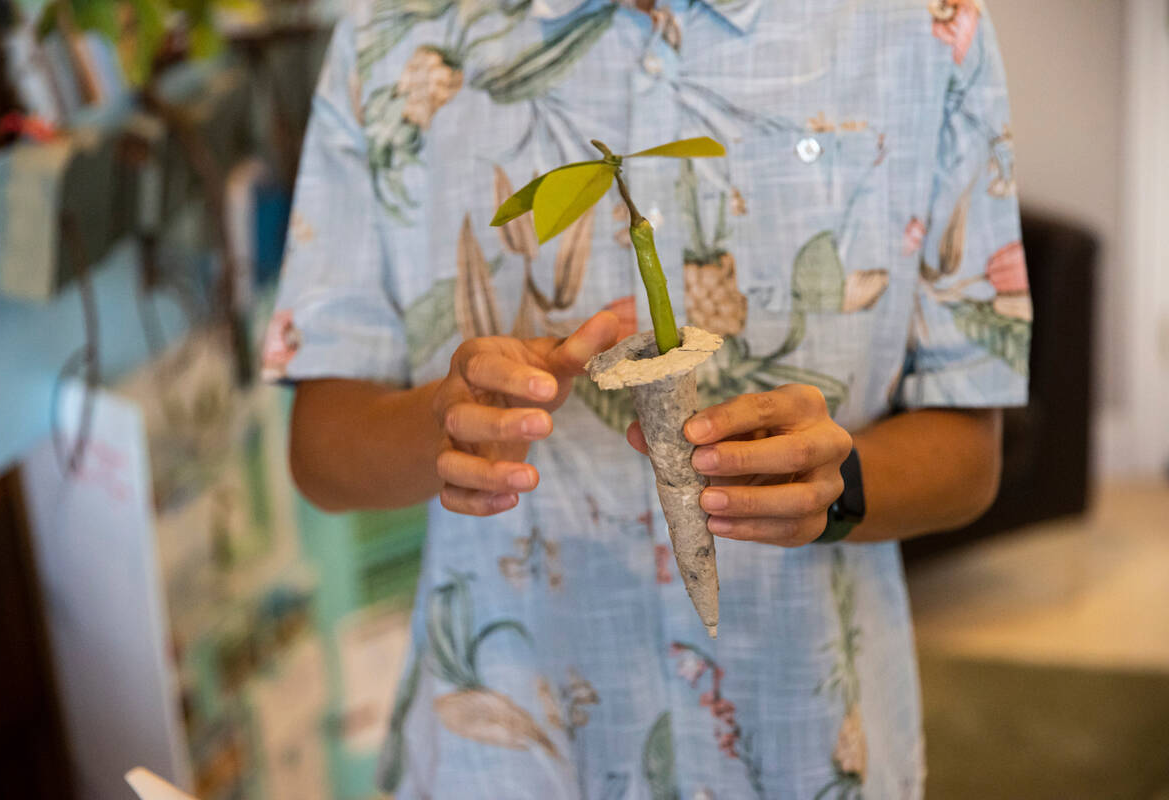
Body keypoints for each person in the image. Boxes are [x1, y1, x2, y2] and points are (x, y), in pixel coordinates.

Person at [264, 0, 1031, 796]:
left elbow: (970, 456)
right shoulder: (395, 41)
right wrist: (445, 429)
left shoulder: (923, 30)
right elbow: (322, 451)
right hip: (510, 751)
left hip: (806, 743)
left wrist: (839, 487)